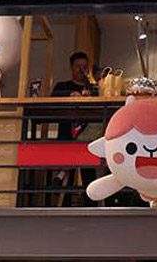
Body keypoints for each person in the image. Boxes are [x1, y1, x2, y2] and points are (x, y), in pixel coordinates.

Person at [50, 51, 98, 206]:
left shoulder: (94, 89)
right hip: (67, 135)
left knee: (88, 173)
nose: (82, 70)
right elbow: (51, 104)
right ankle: (64, 207)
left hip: (87, 137)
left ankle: (91, 206)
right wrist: (69, 96)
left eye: (84, 67)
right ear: (71, 67)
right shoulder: (62, 87)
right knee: (69, 179)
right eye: (78, 66)